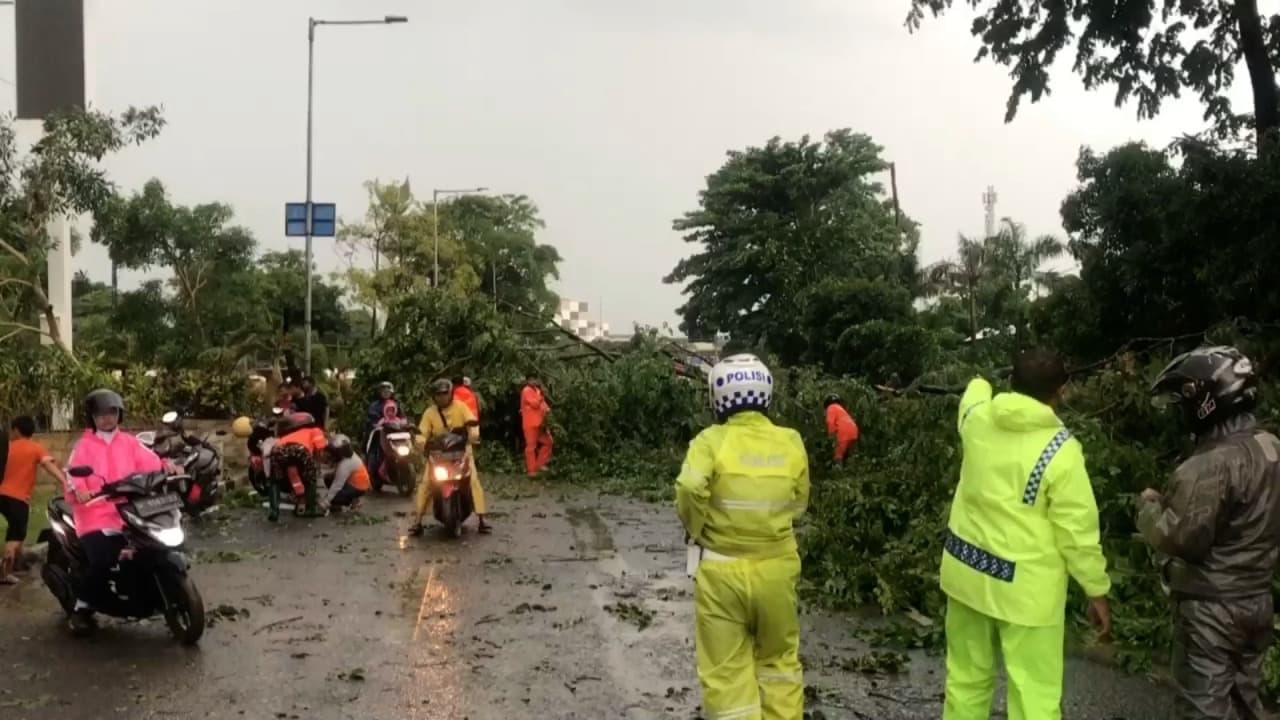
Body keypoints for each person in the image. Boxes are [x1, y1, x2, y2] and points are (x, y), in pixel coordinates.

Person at [941, 349, 1111, 720]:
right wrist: (1096, 589)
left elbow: (973, 394)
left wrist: (979, 380)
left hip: (966, 575)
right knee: (1033, 695)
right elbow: (1077, 531)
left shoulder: (977, 420)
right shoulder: (1061, 451)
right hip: (1026, 596)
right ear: (1060, 392)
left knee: (966, 683)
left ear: (1011, 383)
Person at [1137, 346, 1280, 719]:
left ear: (1206, 401)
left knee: (1203, 709)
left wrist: (1149, 508)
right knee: (1245, 703)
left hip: (1212, 611)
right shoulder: (1271, 448)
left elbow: (1180, 537)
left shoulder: (1209, 465)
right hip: (1257, 599)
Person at [675, 354, 810, 719]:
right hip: (778, 571)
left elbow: (689, 486)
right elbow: (799, 503)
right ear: (766, 395)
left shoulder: (709, 441)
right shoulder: (791, 440)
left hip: (721, 573)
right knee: (779, 663)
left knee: (726, 674)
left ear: (718, 399)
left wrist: (697, 527)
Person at [64, 389, 166, 635]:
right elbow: (72, 475)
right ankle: (81, 608)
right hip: (95, 514)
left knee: (155, 547)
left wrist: (169, 466)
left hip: (130, 512)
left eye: (112, 412)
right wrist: (80, 490)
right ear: (92, 417)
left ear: (119, 414)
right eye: (101, 414)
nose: (107, 418)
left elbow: (153, 462)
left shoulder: (130, 442)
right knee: (104, 558)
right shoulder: (84, 446)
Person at [410, 379, 490, 535]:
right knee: (426, 483)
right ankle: (417, 521)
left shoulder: (461, 407)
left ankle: (482, 519)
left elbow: (471, 423)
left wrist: (473, 435)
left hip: (461, 452)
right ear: (434, 396)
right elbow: (422, 432)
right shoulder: (430, 412)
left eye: (445, 393)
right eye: (438, 394)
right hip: (438, 455)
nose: (442, 397)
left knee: (473, 480)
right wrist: (421, 442)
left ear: (451, 393)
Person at [1, 416, 66, 584]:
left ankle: (18, 563)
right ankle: (4, 573)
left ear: (16, 430)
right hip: (18, 499)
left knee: (17, 534)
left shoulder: (7, 447)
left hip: (2, 495)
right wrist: (65, 482)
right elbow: (48, 465)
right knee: (15, 536)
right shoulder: (36, 448)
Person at [268, 411, 327, 520]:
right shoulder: (315, 430)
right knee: (310, 479)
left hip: (278, 450)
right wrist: (316, 466)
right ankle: (310, 509)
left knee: (275, 480)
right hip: (300, 450)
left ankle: (274, 511)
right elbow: (320, 449)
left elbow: (290, 464)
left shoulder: (290, 433)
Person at [322, 434, 370, 513]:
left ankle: (354, 500)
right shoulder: (347, 458)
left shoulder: (346, 463)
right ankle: (348, 499)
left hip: (359, 487)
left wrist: (326, 502)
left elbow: (337, 484)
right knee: (328, 478)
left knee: (334, 497)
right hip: (355, 484)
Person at [364, 382, 401, 476]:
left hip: (395, 432)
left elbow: (402, 416)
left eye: (388, 391)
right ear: (379, 392)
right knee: (374, 447)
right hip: (379, 432)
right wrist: (378, 423)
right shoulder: (374, 405)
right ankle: (372, 469)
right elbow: (372, 419)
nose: (386, 393)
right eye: (383, 391)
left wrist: (406, 422)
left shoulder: (396, 403)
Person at [520, 372, 553, 477]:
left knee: (548, 442)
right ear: (529, 380)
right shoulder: (526, 391)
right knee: (531, 447)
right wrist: (541, 397)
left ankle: (540, 464)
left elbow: (543, 405)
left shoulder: (537, 391)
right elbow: (534, 404)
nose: (536, 381)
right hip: (530, 423)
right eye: (534, 379)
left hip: (540, 423)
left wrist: (548, 410)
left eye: (536, 379)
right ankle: (531, 470)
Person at [823, 394, 860, 462]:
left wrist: (831, 436)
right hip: (854, 430)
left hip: (843, 432)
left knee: (838, 456)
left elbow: (830, 422)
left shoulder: (830, 408)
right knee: (852, 456)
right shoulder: (841, 409)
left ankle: (838, 471)